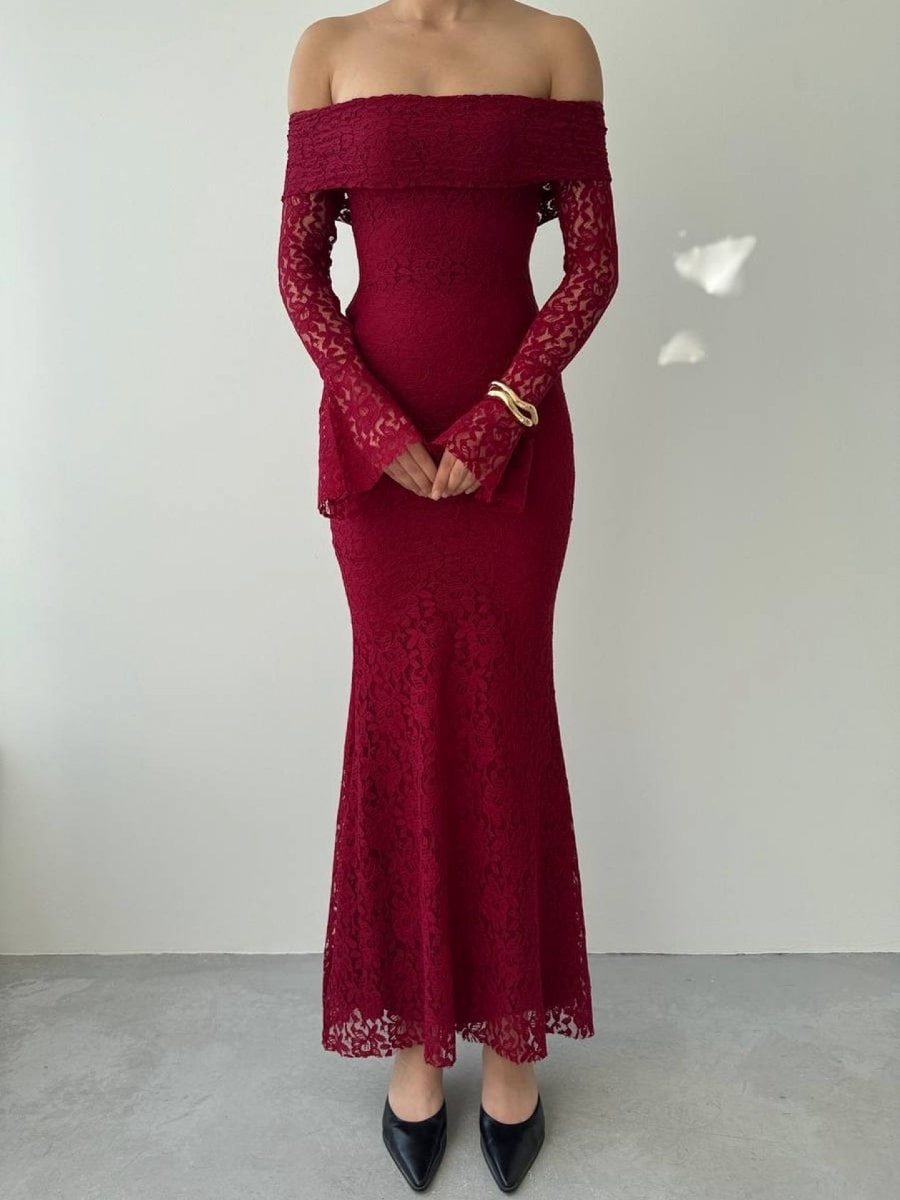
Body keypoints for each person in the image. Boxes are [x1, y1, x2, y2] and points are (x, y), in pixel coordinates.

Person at [277, 0, 618, 1190]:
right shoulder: (327, 49)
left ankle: (513, 1043)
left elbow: (592, 268)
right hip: (375, 453)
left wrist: (501, 416)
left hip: (513, 453)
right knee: (396, 721)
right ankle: (416, 1042)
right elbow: (299, 270)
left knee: (506, 718)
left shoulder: (557, 45)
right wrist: (376, 422)